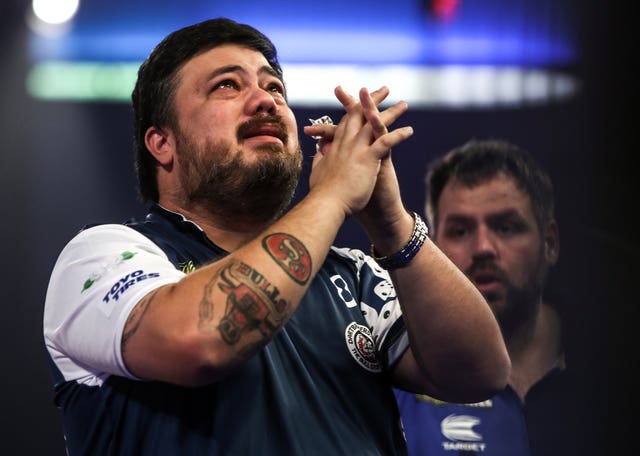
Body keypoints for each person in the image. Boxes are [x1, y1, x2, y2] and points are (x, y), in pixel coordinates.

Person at [43, 18, 509, 455]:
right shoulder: (102, 257)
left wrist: (391, 224)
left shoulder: (354, 274)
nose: (266, 100)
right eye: (227, 85)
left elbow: (480, 373)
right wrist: (332, 197)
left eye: (274, 87)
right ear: (162, 143)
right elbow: (201, 342)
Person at [395, 139, 581, 455]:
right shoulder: (395, 380)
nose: (483, 248)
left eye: (506, 227)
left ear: (549, 243)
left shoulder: (614, 367)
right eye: (460, 231)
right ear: (434, 248)